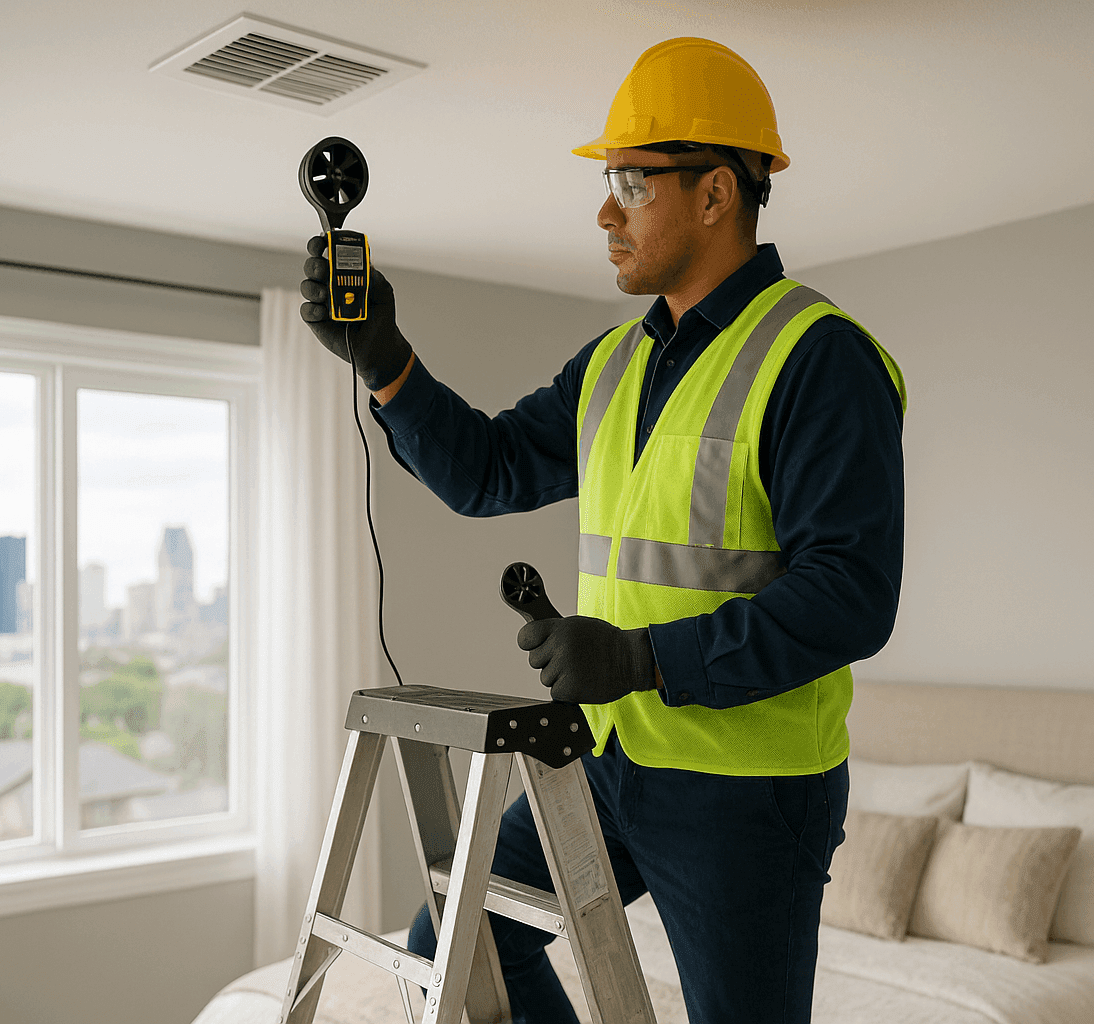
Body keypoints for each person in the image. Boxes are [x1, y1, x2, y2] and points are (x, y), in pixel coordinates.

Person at [299, 35, 906, 1024]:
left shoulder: (818, 357)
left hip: (745, 794)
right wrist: (384, 358)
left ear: (715, 193)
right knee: (457, 941)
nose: (603, 208)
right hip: (610, 762)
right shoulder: (616, 362)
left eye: (631, 180)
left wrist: (639, 656)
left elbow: (850, 595)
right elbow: (487, 470)